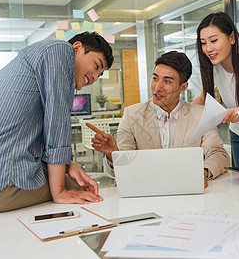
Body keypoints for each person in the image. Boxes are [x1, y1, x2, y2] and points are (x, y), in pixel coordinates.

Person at [0, 32, 114, 213]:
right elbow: (57, 124)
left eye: (99, 75)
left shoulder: (29, 61)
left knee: (70, 177)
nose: (94, 77)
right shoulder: (61, 51)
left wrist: (67, 164)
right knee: (81, 188)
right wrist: (60, 191)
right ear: (77, 48)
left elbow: (22, 132)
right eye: (96, 66)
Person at [88, 51, 230, 188]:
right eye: (155, 78)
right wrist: (113, 154)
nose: (157, 87)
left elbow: (219, 154)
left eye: (167, 81)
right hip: (145, 190)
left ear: (183, 87)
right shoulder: (132, 115)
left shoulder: (201, 115)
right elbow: (124, 167)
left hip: (187, 190)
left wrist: (202, 172)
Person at [193, 12, 239, 168]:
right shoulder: (214, 67)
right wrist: (176, 113)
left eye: (214, 40)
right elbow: (202, 99)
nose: (208, 49)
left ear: (232, 38)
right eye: (203, 43)